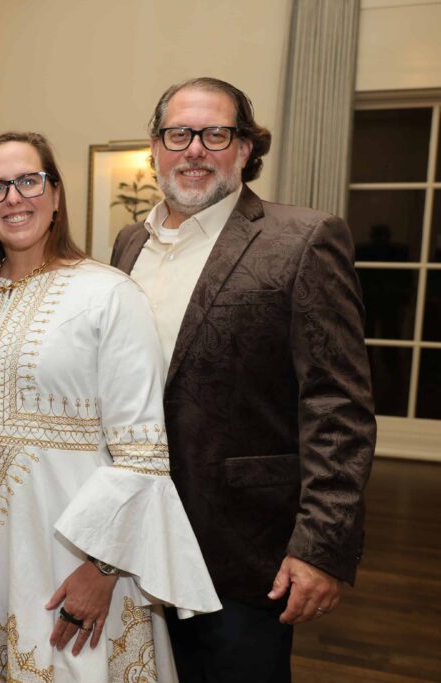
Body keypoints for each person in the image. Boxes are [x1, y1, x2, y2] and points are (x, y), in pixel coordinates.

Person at [0, 131, 221, 682]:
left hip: (73, 560)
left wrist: (103, 568)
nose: (14, 198)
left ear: (56, 194)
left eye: (28, 181)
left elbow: (143, 452)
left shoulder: (108, 294)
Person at [110, 77, 376, 682]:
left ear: (246, 149)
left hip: (240, 546)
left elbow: (339, 407)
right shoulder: (130, 243)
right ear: (155, 147)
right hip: (133, 541)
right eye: (179, 134)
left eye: (216, 133)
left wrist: (321, 546)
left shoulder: (304, 240)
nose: (194, 149)